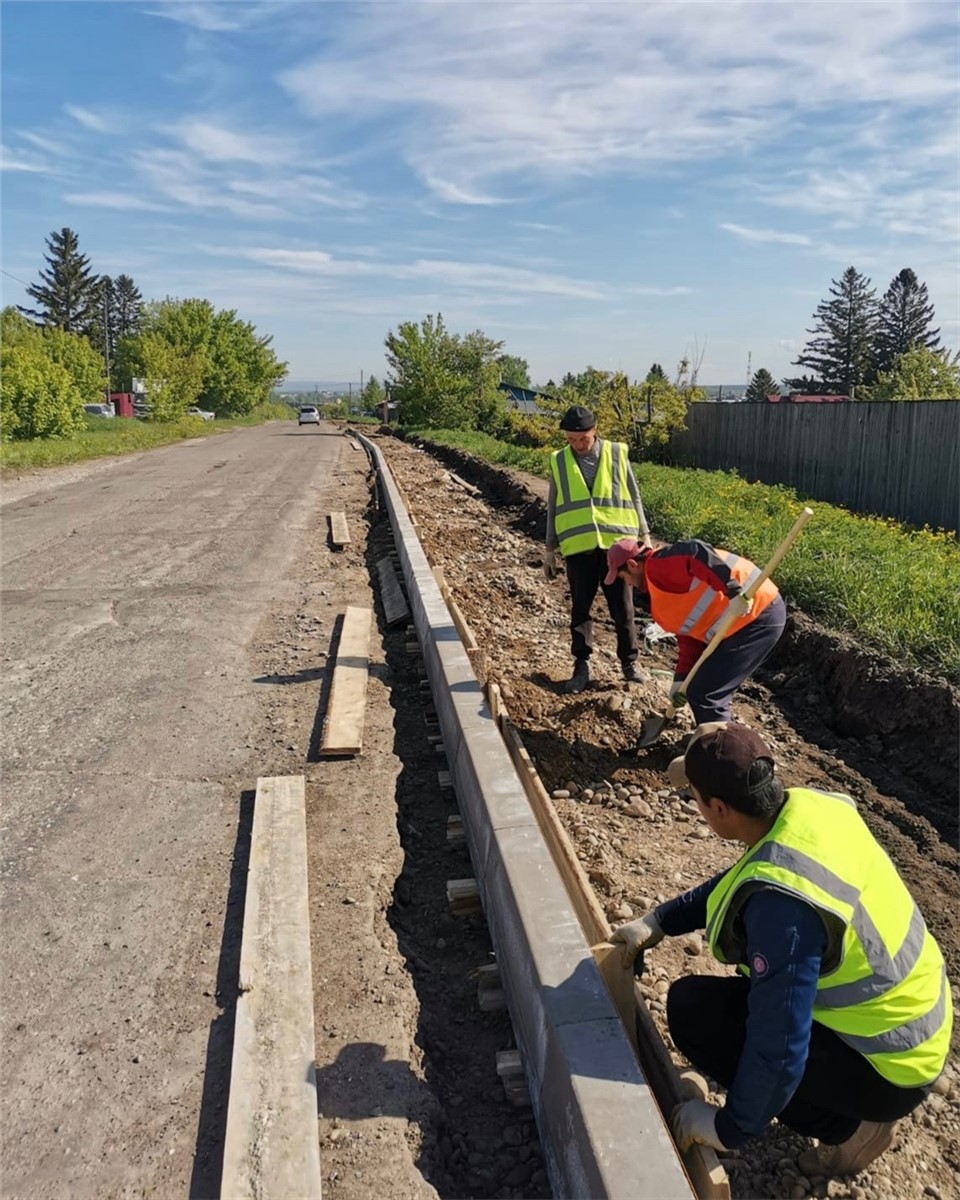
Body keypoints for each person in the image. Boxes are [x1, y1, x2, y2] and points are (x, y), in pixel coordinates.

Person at [612, 723, 952, 1178]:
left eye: (694, 799)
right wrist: (657, 922)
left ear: (718, 808)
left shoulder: (783, 914)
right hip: (916, 1018)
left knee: (697, 1016)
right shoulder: (810, 810)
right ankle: (840, 1103)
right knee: (737, 1007)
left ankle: (849, 1129)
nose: (695, 808)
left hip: (891, 1065)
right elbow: (742, 880)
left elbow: (779, 1051)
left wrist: (727, 1127)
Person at [604, 536, 786, 725]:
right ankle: (718, 741)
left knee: (705, 694)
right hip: (743, 623)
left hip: (758, 610)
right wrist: (681, 678)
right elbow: (689, 635)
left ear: (633, 565)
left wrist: (732, 590)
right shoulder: (659, 594)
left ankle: (720, 749)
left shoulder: (658, 566)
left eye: (623, 577)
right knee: (700, 691)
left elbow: (695, 551)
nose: (628, 584)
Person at [543, 406, 652, 693]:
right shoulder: (559, 461)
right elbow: (553, 505)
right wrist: (549, 548)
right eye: (572, 440)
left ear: (595, 432)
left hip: (617, 547)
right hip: (579, 547)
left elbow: (634, 494)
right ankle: (581, 666)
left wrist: (645, 535)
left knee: (623, 608)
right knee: (580, 609)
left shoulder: (616, 453)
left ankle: (630, 664)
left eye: (584, 439)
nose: (578, 445)